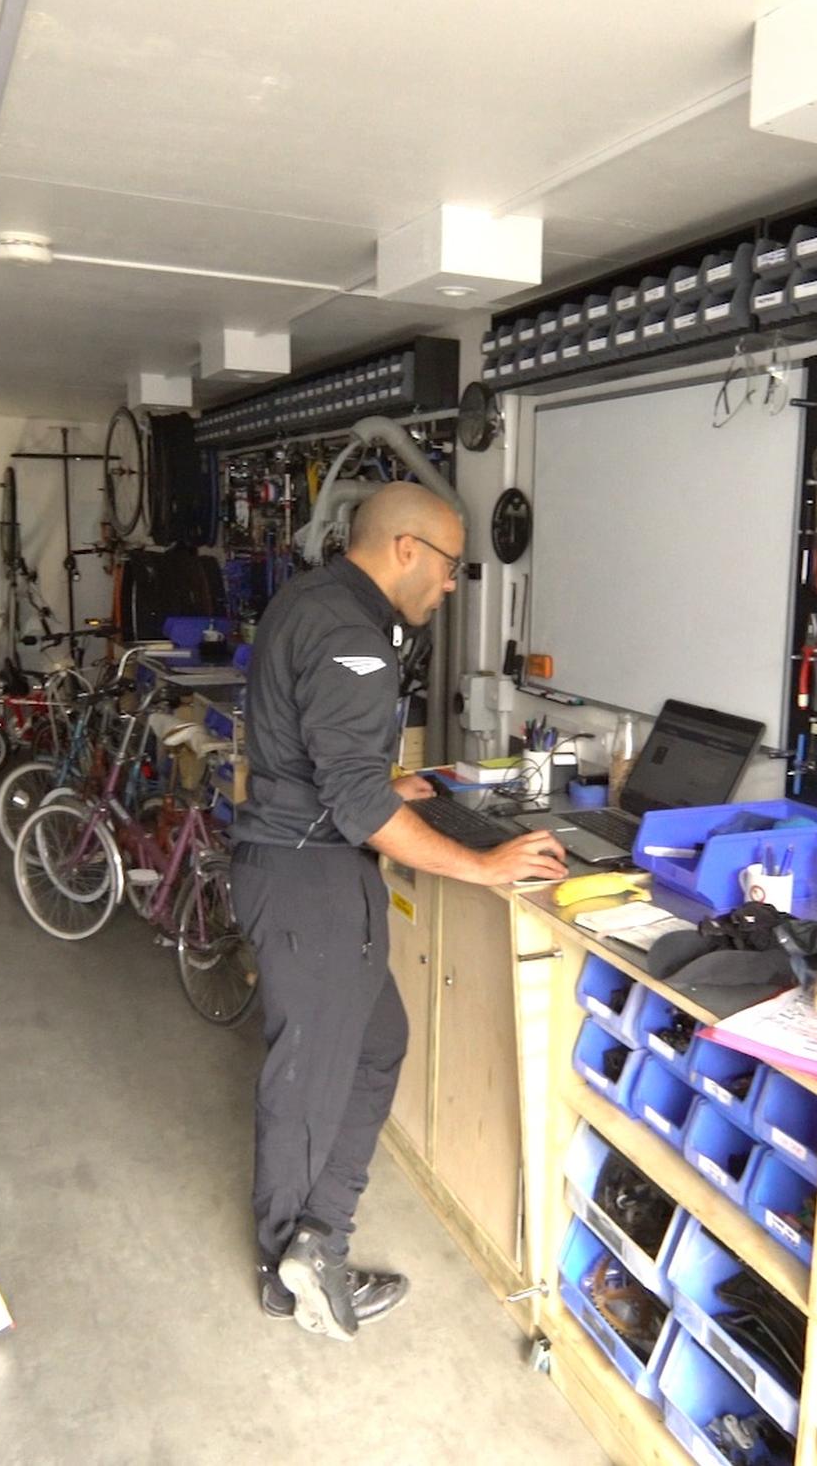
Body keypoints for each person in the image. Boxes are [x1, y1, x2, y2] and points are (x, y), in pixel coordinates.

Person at [231, 480, 568, 1342]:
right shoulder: (353, 634)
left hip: (305, 863)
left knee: (375, 1043)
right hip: (309, 878)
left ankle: (317, 1236)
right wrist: (483, 863)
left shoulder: (314, 601)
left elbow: (322, 759)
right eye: (452, 567)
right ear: (406, 549)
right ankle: (290, 1277)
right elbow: (351, 804)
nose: (452, 586)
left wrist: (385, 787)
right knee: (306, 1079)